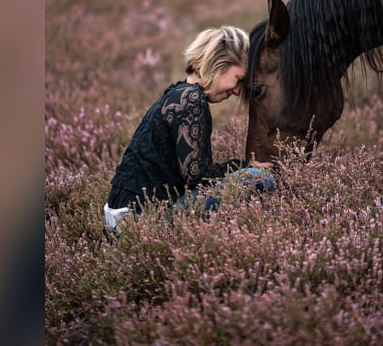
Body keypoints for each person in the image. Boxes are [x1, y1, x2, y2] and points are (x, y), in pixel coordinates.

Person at [104, 26, 274, 234]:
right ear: (219, 63)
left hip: (124, 216)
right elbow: (197, 177)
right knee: (258, 178)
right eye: (238, 79)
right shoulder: (191, 99)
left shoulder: (179, 93)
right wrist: (244, 167)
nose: (237, 91)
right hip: (138, 221)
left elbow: (189, 175)